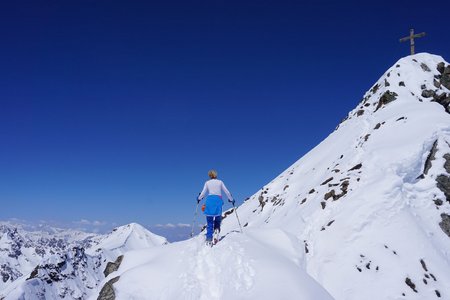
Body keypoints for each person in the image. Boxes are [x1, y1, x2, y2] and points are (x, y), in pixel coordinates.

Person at [197, 169, 234, 245]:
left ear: (209, 175)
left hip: (209, 201)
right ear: (216, 175)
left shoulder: (207, 183)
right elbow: (227, 192)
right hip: (218, 201)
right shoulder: (220, 182)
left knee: (209, 222)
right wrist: (231, 199)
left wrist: (198, 198)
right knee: (217, 219)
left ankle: (209, 238)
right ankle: (217, 230)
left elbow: (203, 193)